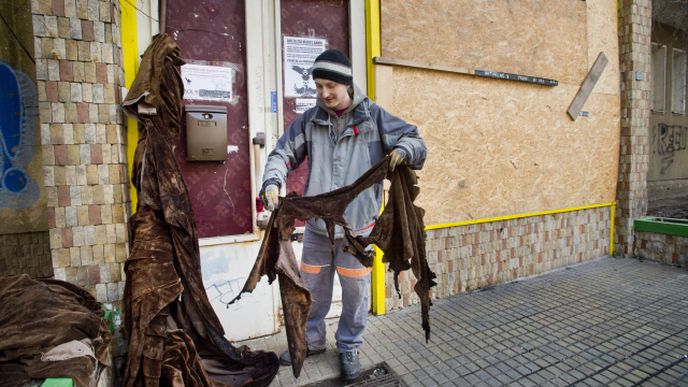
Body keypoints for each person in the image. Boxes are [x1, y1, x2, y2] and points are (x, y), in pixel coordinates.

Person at [260, 49, 426, 380]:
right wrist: (272, 180)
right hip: (318, 231)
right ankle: (311, 341)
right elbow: (282, 153)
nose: (323, 93)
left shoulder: (373, 118)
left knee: (354, 295)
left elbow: (416, 142)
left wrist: (403, 151)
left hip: (357, 232)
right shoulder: (310, 121)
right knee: (311, 290)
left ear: (347, 84)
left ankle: (349, 345)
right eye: (318, 85)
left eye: (330, 86)